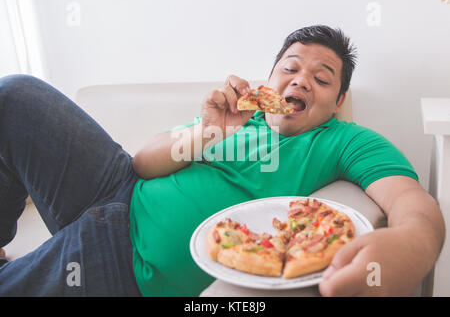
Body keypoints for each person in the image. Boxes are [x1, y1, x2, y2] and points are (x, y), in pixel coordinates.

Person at [0, 25, 445, 297]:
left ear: (339, 100)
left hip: (123, 252)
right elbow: (141, 163)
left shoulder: (344, 141)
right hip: (115, 185)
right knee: (14, 95)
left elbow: (412, 202)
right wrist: (208, 131)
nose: (302, 81)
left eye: (322, 78)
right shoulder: (237, 115)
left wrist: (414, 245)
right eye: (290, 69)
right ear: (270, 79)